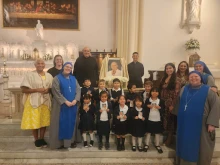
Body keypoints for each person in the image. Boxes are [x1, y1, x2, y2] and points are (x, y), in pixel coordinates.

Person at [173, 71, 220, 165]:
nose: (193, 78)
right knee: (184, 143)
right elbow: (179, 102)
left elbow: (216, 105)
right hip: (184, 123)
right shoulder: (184, 89)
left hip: (201, 124)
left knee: (201, 145)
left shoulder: (208, 90)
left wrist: (212, 123)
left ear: (200, 78)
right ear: (188, 79)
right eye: (191, 77)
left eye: (196, 76)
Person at [20, 58, 53, 148]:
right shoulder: (29, 75)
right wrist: (36, 90)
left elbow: (52, 88)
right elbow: (23, 89)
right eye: (38, 63)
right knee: (35, 121)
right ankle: (36, 139)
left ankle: (41, 139)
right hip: (33, 101)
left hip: (45, 102)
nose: (40, 65)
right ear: (35, 65)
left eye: (42, 63)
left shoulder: (49, 76)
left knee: (43, 121)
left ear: (44, 65)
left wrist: (48, 90)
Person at [49, 62, 81, 150]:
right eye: (67, 67)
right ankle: (60, 143)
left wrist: (75, 100)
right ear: (63, 67)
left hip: (72, 106)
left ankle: (71, 141)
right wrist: (65, 101)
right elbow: (56, 91)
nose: (68, 68)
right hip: (61, 106)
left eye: (70, 67)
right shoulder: (57, 78)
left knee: (72, 123)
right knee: (60, 124)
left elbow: (78, 90)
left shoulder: (74, 79)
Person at [159, 63, 181, 146]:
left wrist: (173, 105)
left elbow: (177, 93)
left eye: (170, 68)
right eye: (167, 68)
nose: (168, 70)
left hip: (171, 103)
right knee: (165, 120)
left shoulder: (177, 79)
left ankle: (169, 140)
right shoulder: (164, 78)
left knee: (170, 121)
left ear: (174, 69)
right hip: (163, 102)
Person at [144, 87, 165, 153]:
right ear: (151, 92)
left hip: (157, 119)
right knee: (148, 132)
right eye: (153, 91)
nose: (154, 93)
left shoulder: (161, 101)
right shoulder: (148, 99)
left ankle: (157, 144)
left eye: (156, 91)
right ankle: (146, 144)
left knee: (157, 132)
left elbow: (163, 110)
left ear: (158, 93)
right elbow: (144, 107)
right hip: (149, 118)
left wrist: (159, 107)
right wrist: (147, 106)